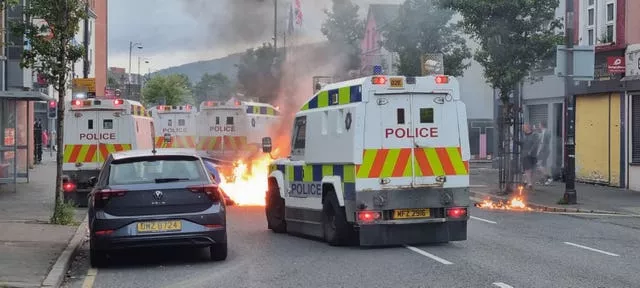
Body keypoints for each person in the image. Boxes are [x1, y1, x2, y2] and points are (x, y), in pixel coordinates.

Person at [521, 123, 539, 189]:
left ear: (528, 128)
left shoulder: (534, 135)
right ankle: (529, 183)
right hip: (525, 154)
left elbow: (535, 144)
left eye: (523, 127)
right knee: (527, 169)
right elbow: (521, 143)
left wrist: (530, 151)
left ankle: (526, 181)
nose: (522, 129)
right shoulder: (523, 135)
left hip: (532, 154)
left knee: (532, 169)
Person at [536, 120, 552, 185]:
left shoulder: (544, 132)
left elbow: (542, 143)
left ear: (542, 125)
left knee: (538, 165)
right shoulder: (547, 131)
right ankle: (542, 180)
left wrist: (539, 151)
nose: (538, 126)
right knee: (543, 165)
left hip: (543, 151)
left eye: (539, 125)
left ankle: (549, 178)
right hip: (546, 150)